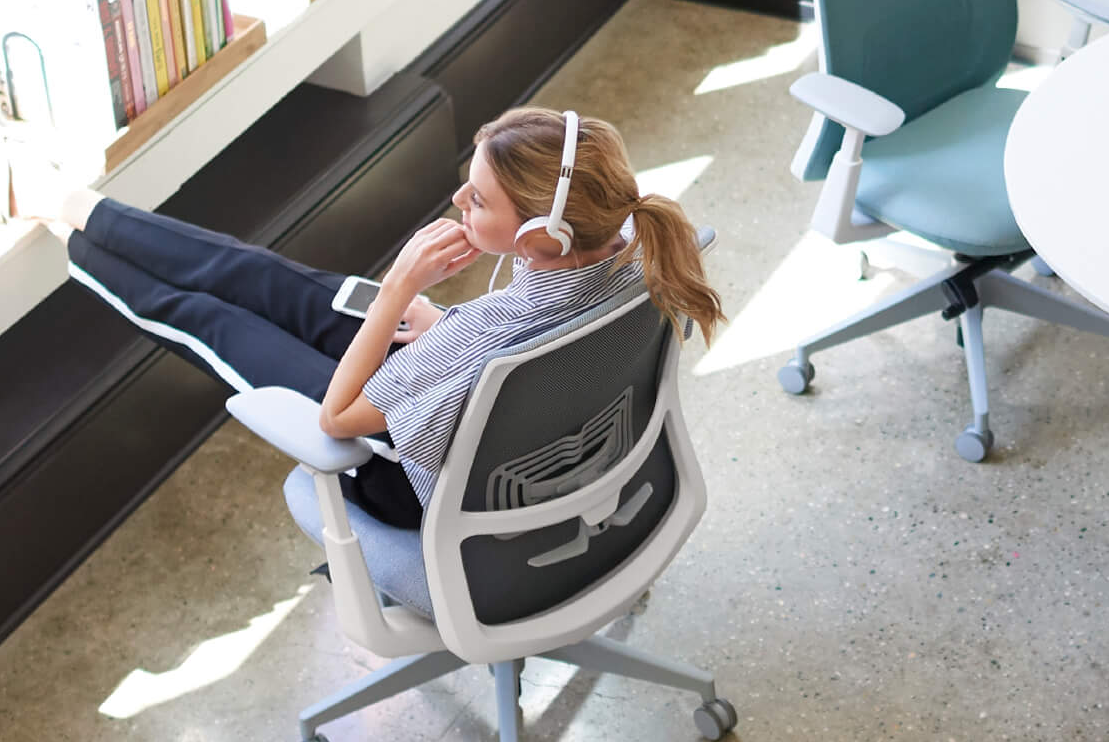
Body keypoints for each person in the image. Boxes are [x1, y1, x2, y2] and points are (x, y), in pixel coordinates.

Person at [54, 107, 723, 529]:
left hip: (413, 483)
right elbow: (514, 331)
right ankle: (80, 209)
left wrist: (400, 288)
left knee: (209, 319)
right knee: (264, 278)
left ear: (542, 236)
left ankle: (73, 243)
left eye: (480, 200)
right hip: (509, 417)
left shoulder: (480, 339)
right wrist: (431, 318)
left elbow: (338, 420)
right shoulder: (635, 256)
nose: (460, 197)